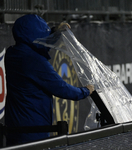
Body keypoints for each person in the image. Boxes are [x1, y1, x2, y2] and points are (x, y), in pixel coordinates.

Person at [4, 14, 94, 146]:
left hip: (15, 129)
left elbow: (39, 41)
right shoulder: (34, 60)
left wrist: (55, 31)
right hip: (34, 132)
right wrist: (86, 91)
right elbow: (61, 88)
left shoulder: (12, 53)